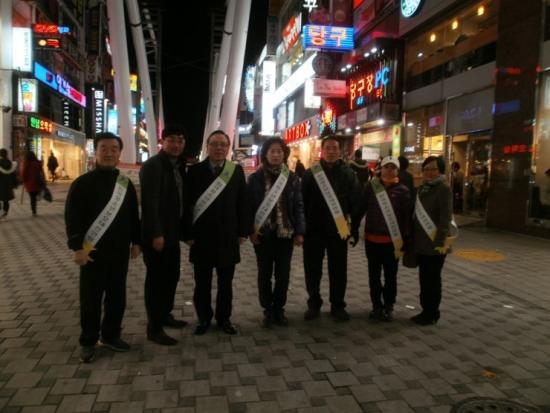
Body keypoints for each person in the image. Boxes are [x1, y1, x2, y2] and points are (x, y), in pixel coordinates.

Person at [65, 132, 141, 363]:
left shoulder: (125, 184)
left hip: (119, 252)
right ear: (95, 152)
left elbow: (133, 216)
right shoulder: (82, 184)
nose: (109, 153)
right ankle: (88, 341)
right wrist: (77, 247)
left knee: (117, 296)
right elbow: (73, 218)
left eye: (114, 149)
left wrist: (137, 242)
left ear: (119, 153)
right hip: (92, 252)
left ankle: (110, 335)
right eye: (104, 148)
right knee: (91, 298)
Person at [183, 130, 249, 335]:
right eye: (214, 144)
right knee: (202, 283)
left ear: (228, 148)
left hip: (227, 236)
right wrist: (187, 234)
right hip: (201, 237)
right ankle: (203, 318)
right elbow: (186, 205)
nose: (218, 148)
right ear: (207, 147)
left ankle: (224, 319)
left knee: (225, 283)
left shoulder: (236, 171)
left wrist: (243, 231)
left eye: (223, 144)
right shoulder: (194, 171)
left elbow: (243, 203)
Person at [247, 138, 305, 328]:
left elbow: (298, 206)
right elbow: (249, 206)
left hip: (285, 234)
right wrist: (250, 231)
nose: (276, 155)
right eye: (272, 151)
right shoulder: (255, 178)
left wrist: (300, 232)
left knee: (283, 274)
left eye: (279, 151)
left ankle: (279, 309)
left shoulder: (292, 178)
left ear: (284, 154)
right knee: (264, 274)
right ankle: (267, 310)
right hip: (262, 234)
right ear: (265, 154)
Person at [301, 135, 361, 321]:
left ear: (340, 151)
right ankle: (313, 303)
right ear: (322, 150)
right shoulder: (310, 174)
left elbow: (356, 203)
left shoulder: (349, 174)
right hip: (314, 230)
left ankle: (337, 305)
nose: (331, 151)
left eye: (335, 148)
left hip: (339, 230)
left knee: (339, 269)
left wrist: (354, 228)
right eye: (328, 147)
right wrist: (302, 229)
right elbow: (302, 203)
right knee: (312, 269)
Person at [140, 124, 188, 346]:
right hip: (157, 236)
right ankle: (154, 327)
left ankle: (165, 314)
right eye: (172, 140)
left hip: (172, 234)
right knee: (156, 281)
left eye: (180, 140)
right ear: (162, 141)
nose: (176, 145)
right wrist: (156, 233)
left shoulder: (178, 165)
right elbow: (149, 203)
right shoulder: (153, 165)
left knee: (171, 277)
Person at [351, 156, 413, 322]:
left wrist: (407, 238)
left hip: (393, 242)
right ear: (381, 169)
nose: (389, 170)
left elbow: (407, 217)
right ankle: (376, 306)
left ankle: (389, 306)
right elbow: (361, 209)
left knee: (391, 276)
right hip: (372, 240)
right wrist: (353, 229)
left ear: (397, 171)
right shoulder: (371, 187)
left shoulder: (403, 190)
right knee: (374, 276)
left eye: (393, 168)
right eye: (386, 167)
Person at [411, 156, 453, 326]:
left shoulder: (443, 189)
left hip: (435, 243)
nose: (429, 172)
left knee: (433, 279)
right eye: (426, 169)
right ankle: (425, 310)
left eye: (433, 169)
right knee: (424, 278)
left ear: (440, 170)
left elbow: (445, 217)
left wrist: (440, 241)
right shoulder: (423, 188)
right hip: (422, 242)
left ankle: (432, 313)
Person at [21, 151, 45, 217]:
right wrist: (43, 180)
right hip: (37, 182)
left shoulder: (27, 164)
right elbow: (42, 172)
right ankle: (34, 209)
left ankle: (34, 211)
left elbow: (24, 173)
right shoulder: (38, 163)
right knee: (34, 196)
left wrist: (23, 180)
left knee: (32, 197)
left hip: (30, 183)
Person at [0, 149, 18, 220]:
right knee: (6, 200)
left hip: (0, 183)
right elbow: (14, 175)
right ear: (6, 154)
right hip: (8, 184)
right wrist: (15, 184)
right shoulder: (11, 163)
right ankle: (5, 212)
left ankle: (1, 211)